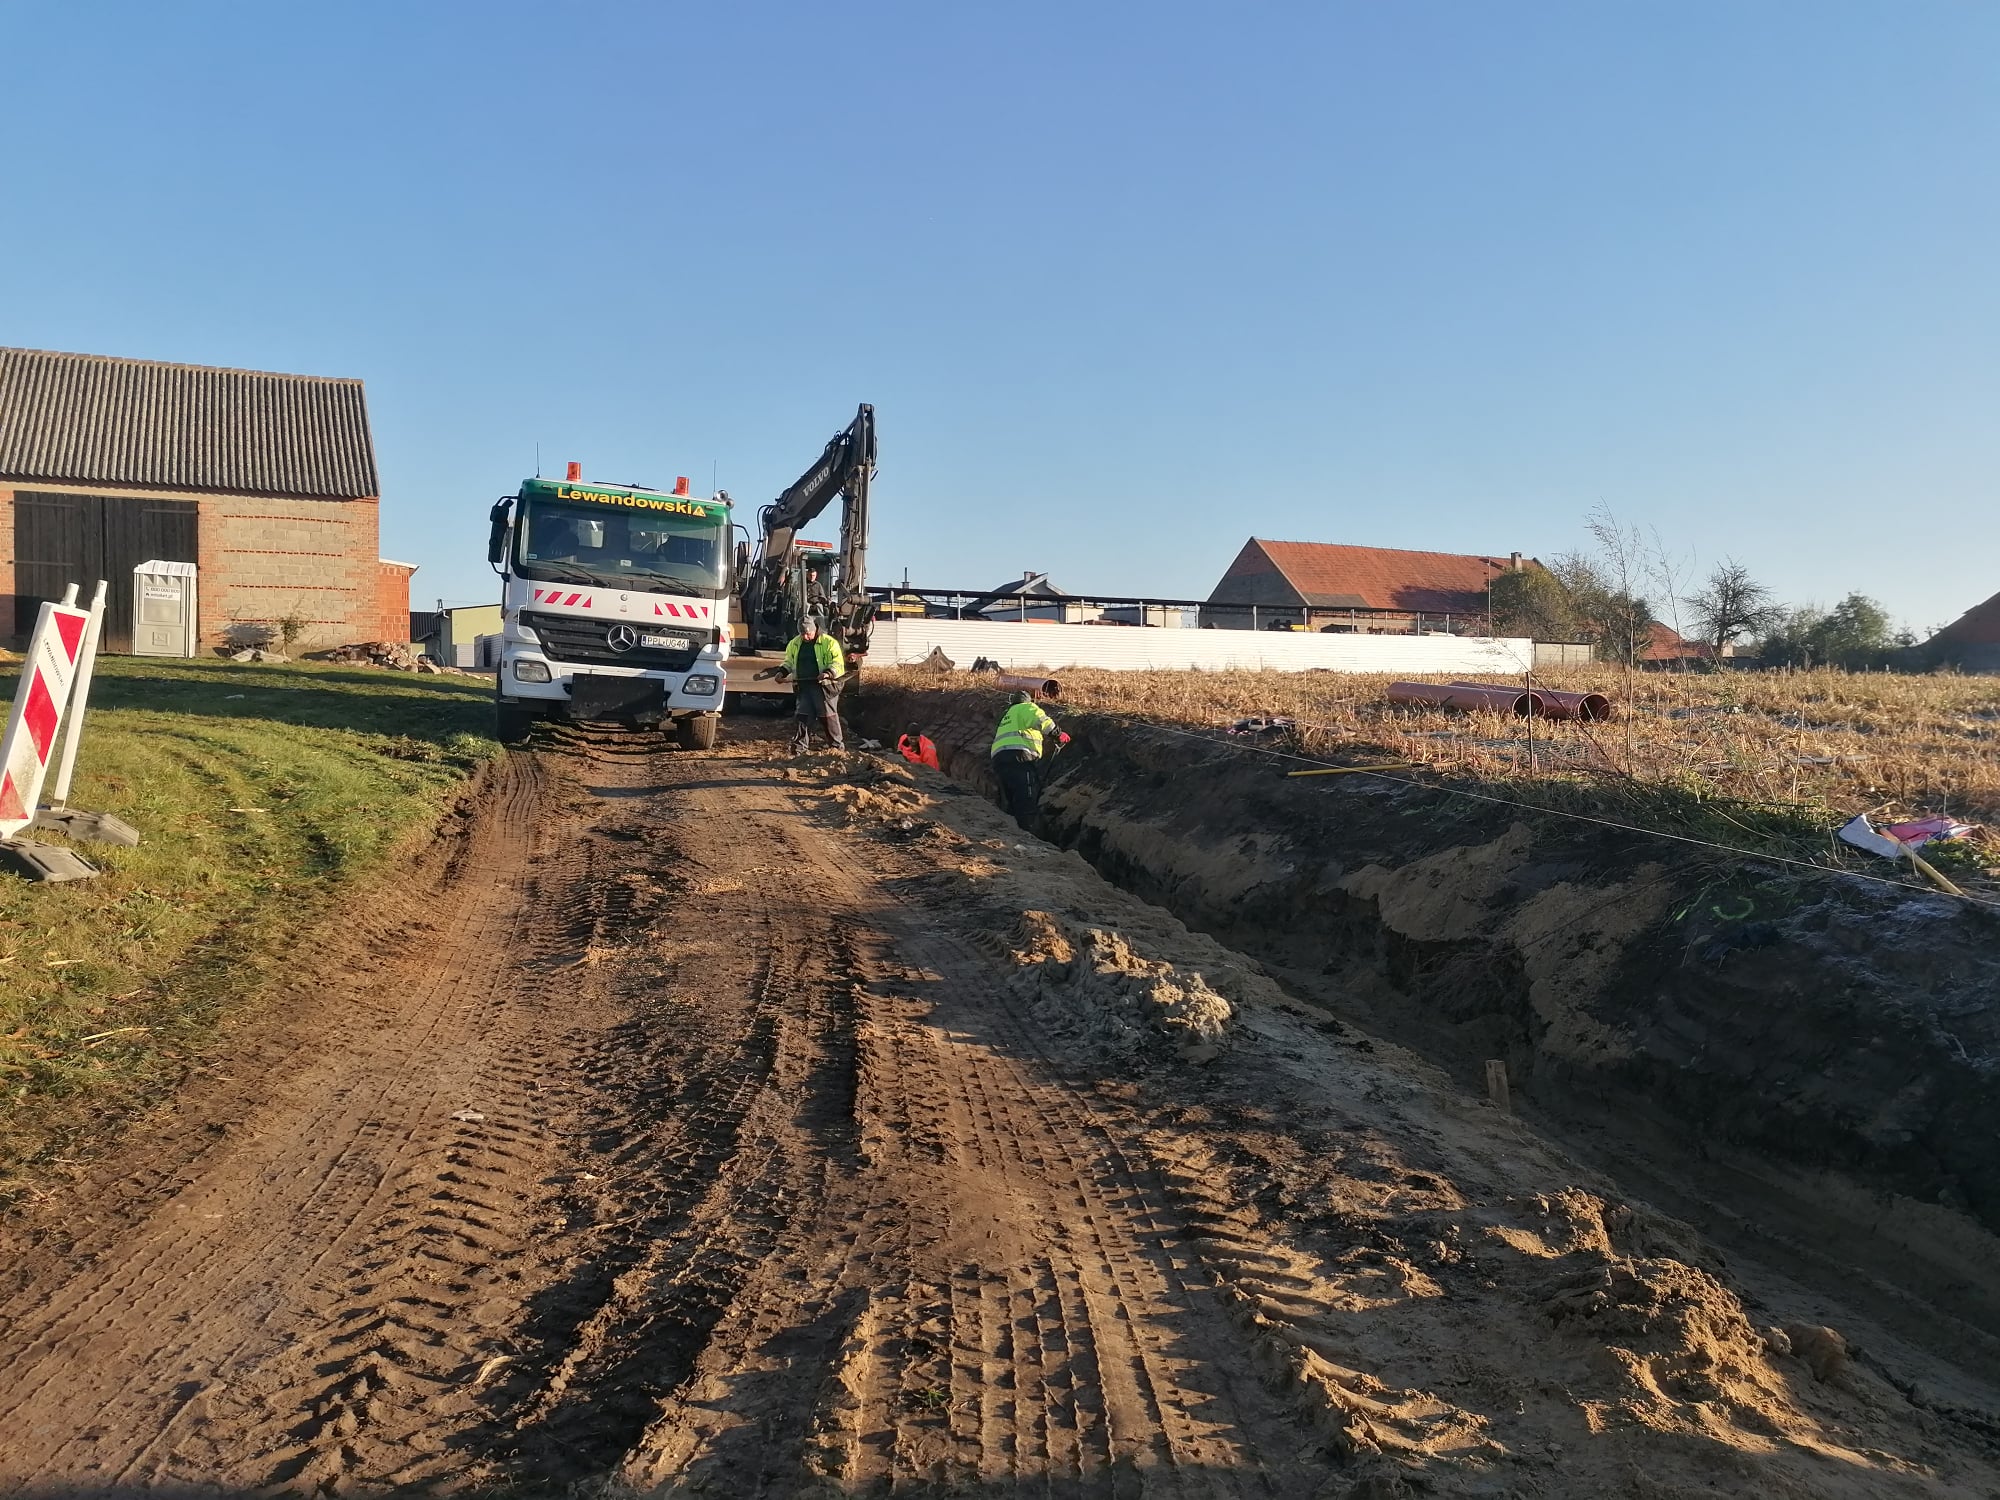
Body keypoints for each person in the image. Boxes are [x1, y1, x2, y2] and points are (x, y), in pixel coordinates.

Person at [989, 690, 1069, 830]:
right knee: (1026, 795)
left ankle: (1011, 828)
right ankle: (1027, 831)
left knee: (1010, 797)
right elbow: (1042, 721)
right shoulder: (1026, 707)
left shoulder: (1006, 714)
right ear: (1027, 701)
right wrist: (1058, 734)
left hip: (999, 758)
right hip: (1019, 756)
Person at [778, 616, 846, 753]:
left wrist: (828, 673)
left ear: (815, 630)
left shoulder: (829, 642)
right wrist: (782, 672)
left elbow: (838, 663)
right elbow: (789, 661)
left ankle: (836, 748)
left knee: (828, 716)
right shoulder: (795, 643)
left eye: (808, 633)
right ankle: (799, 748)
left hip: (824, 687)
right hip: (804, 687)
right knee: (803, 716)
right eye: (802, 634)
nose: (806, 637)